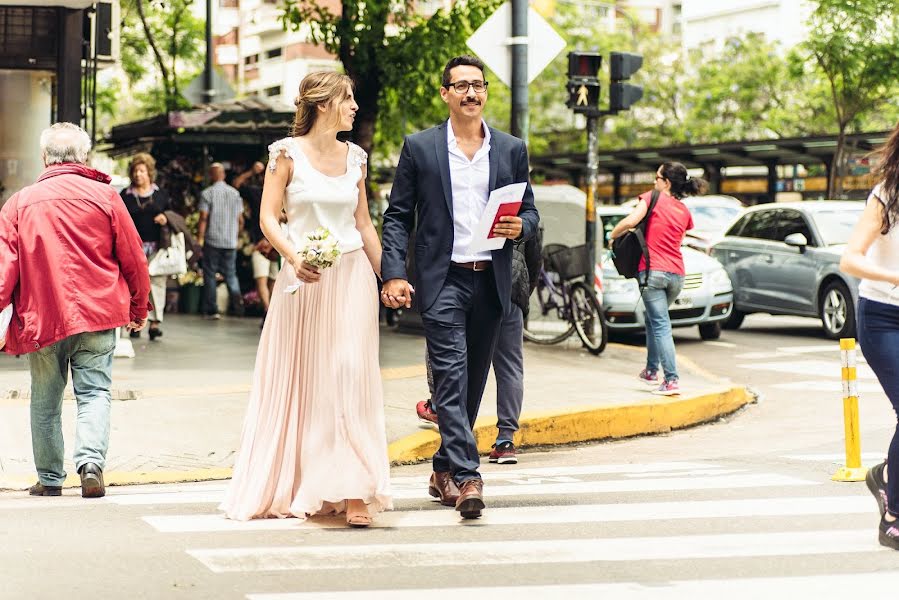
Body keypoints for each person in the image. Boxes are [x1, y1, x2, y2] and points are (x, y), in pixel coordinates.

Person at [219, 71, 392, 528]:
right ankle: (305, 481)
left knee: (349, 376)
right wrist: (294, 258)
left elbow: (365, 224)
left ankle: (356, 490)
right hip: (304, 281)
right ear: (323, 103)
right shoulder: (285, 154)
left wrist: (389, 276)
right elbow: (268, 219)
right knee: (308, 381)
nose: (355, 106)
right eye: (348, 98)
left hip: (352, 276)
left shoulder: (356, 157)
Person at [381, 55, 539, 519]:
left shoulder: (510, 149)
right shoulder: (421, 147)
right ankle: (468, 477)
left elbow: (529, 209)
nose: (471, 93)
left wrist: (521, 227)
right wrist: (393, 271)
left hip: (490, 280)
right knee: (450, 376)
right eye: (461, 86)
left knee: (471, 387)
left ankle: (442, 469)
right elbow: (397, 216)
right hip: (442, 279)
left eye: (478, 85)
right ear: (445, 93)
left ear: (485, 92)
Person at [0, 122, 150, 498]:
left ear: (45, 157)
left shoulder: (19, 203)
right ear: (83, 157)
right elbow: (133, 257)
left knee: (45, 399)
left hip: (43, 317)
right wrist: (139, 306)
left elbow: (4, 268)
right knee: (95, 392)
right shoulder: (106, 197)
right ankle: (90, 466)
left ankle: (50, 478)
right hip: (99, 313)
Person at [416, 227, 543, 465]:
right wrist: (523, 293)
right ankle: (506, 440)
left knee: (452, 355)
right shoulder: (516, 205)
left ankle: (441, 411)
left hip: (478, 286)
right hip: (512, 290)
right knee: (510, 366)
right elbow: (535, 258)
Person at [840, 121, 899, 550]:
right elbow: (850, 258)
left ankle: (885, 474)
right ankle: (893, 513)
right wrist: (894, 278)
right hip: (883, 316)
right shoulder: (886, 196)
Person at [609, 162, 704, 396]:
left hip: (652, 273)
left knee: (660, 324)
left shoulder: (651, 198)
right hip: (677, 275)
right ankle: (651, 371)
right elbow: (678, 239)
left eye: (657, 177)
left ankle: (671, 380)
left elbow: (631, 221)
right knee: (655, 320)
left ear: (666, 182)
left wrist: (612, 234)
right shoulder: (684, 210)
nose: (654, 182)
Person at [120, 152, 170, 340]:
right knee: (134, 285)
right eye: (135, 171)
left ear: (149, 172)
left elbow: (171, 213)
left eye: (142, 171)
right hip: (133, 248)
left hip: (156, 247)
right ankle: (135, 321)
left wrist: (165, 218)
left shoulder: (161, 195)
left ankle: (155, 323)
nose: (138, 174)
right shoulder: (125, 195)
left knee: (156, 284)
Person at [197, 162, 244, 319]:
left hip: (213, 239)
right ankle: (238, 307)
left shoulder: (207, 193)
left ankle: (212, 309)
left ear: (211, 175)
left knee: (210, 274)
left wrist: (200, 239)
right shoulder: (235, 194)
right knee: (231, 274)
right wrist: (237, 236)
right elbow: (241, 220)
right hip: (230, 241)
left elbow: (203, 218)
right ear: (223, 175)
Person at [234, 161, 280, 322]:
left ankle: (271, 311)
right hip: (261, 243)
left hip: (279, 244)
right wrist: (251, 171)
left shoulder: (283, 193)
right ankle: (268, 311)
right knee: (263, 277)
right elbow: (237, 185)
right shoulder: (257, 192)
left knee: (273, 279)